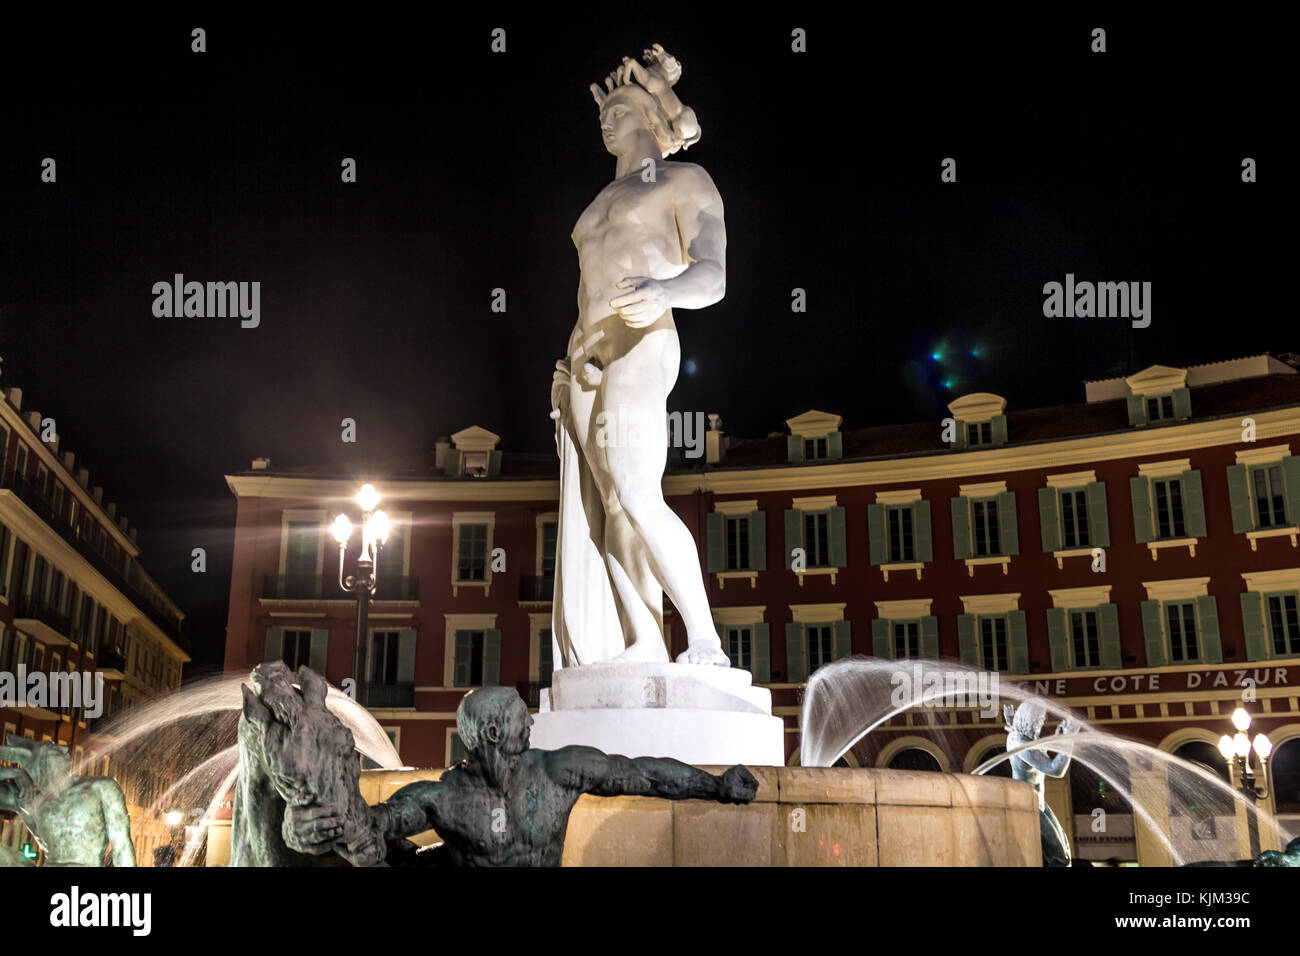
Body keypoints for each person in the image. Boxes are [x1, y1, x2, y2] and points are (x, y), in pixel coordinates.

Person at [284, 686, 758, 866]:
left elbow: (640, 774)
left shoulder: (558, 770)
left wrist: (714, 785)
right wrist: (305, 827)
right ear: (493, 731)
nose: (530, 721)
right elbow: (378, 823)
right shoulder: (446, 796)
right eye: (519, 714)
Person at [0, 735, 136, 867]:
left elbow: (121, 844)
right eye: (45, 758)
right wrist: (15, 773)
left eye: (56, 753)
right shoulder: (33, 800)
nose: (62, 752)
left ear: (67, 760)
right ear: (37, 769)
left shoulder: (100, 787)